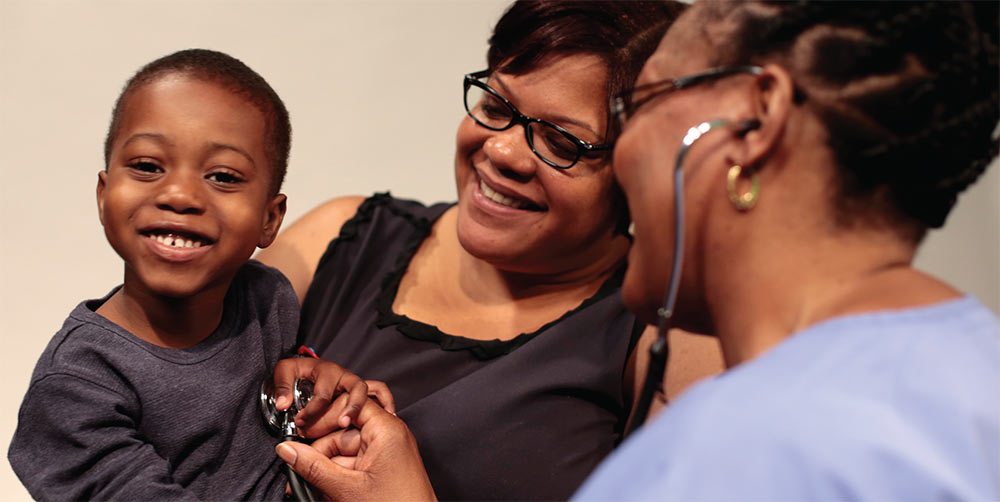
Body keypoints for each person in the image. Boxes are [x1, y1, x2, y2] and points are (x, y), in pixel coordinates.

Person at [274, 0, 1000, 500]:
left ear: (756, 123)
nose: (625, 163)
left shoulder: (750, 439)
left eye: (643, 106)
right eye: (496, 108)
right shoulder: (966, 367)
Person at [256, 1, 722, 499]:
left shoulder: (670, 333)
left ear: (645, 171)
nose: (502, 151)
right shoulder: (341, 235)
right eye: (496, 108)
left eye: (562, 142)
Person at [7, 48, 377, 501]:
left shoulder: (267, 301)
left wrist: (320, 392)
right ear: (104, 196)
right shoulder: (76, 387)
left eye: (222, 176)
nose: (180, 195)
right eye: (147, 166)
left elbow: (286, 434)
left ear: (269, 217)